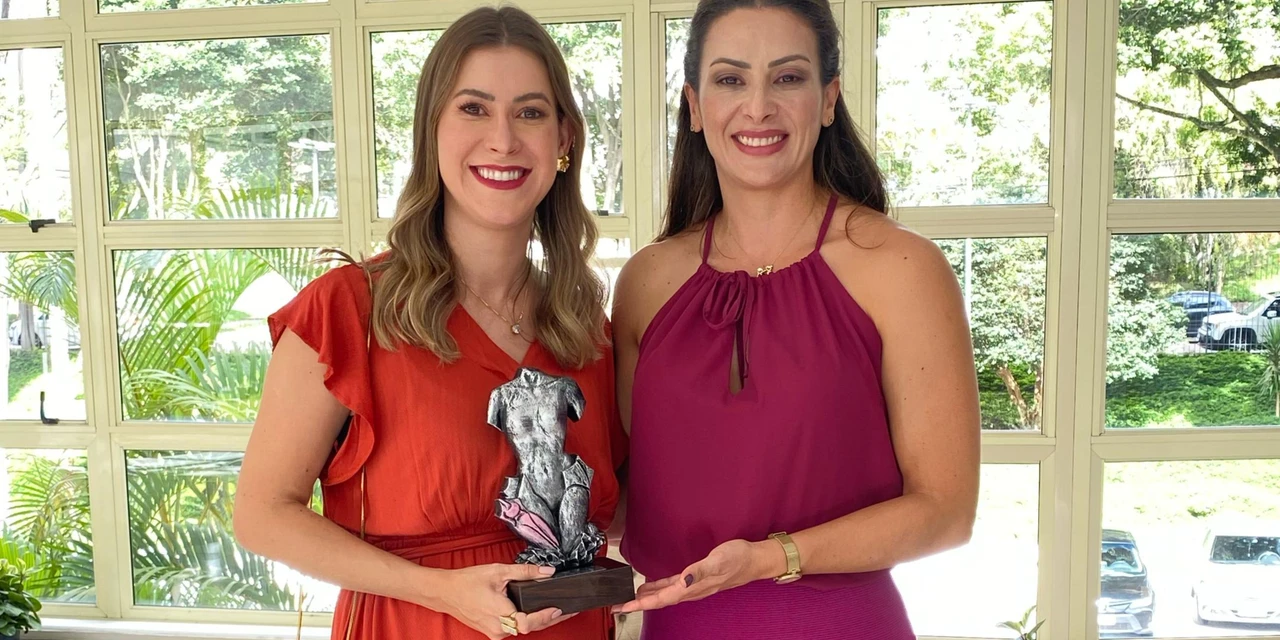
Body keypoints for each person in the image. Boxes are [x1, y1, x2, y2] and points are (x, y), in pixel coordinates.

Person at [233, 7, 626, 640]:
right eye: (473, 109)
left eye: (529, 112)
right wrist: (440, 590)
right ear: (431, 131)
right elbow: (261, 515)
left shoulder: (586, 329)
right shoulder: (348, 309)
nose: (503, 140)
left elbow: (622, 509)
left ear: (565, 140)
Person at [611, 0, 980, 637]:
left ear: (828, 99)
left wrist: (769, 558)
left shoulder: (901, 268)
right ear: (695, 106)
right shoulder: (645, 283)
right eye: (731, 79)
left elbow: (946, 511)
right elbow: (625, 497)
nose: (758, 107)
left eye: (787, 77)